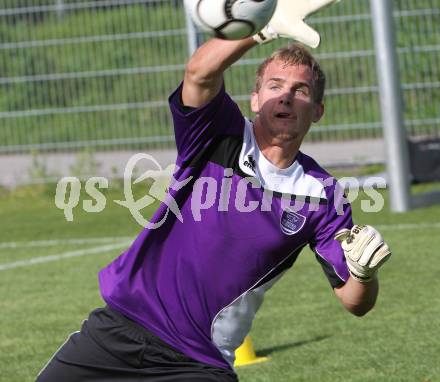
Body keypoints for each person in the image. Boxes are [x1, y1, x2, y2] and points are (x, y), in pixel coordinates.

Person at [37, 1, 392, 381]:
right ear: (255, 99)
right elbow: (199, 73)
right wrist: (263, 27)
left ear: (318, 111)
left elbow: (354, 303)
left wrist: (363, 274)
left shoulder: (324, 196)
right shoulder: (218, 132)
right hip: (119, 330)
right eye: (275, 86)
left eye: (300, 90)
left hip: (199, 363)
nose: (286, 96)